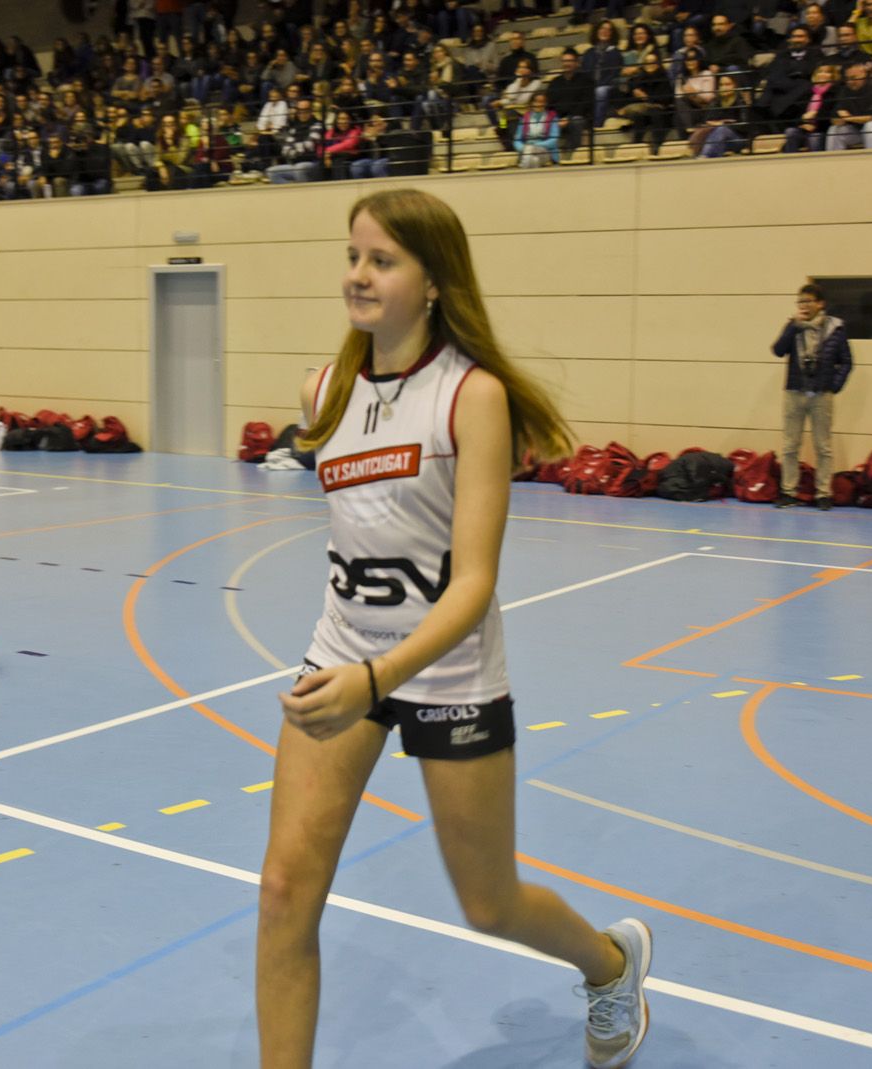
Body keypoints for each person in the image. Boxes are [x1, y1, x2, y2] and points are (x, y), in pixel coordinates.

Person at [257, 187, 653, 1069]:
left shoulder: (471, 397)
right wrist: (355, 672)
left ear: (433, 282)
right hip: (341, 662)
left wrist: (380, 674)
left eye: (382, 260)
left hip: (446, 673)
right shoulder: (323, 391)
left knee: (489, 902)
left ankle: (611, 962)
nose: (358, 275)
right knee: (285, 890)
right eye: (353, 255)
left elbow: (472, 583)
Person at [771, 283, 853, 509]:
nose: (804, 306)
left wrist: (833, 386)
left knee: (823, 447)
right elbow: (778, 350)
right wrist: (793, 328)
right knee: (790, 445)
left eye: (808, 301)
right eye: (800, 302)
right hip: (794, 393)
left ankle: (823, 493)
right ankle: (788, 491)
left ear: (820, 303)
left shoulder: (835, 329)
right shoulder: (793, 326)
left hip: (821, 395)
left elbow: (846, 362)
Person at [826, 61, 872, 147]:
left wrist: (849, 118)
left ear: (864, 74)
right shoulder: (845, 90)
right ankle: (834, 160)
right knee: (835, 130)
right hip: (857, 130)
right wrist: (837, 119)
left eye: (854, 78)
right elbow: (836, 112)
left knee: (871, 126)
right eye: (847, 78)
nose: (850, 82)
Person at [514, 90, 562, 166]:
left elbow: (554, 139)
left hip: (545, 149)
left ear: (545, 103)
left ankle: (524, 166)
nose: (539, 104)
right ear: (531, 103)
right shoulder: (524, 118)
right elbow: (517, 140)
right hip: (527, 150)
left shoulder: (552, 117)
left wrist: (536, 146)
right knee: (533, 159)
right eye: (536, 101)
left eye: (541, 102)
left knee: (530, 153)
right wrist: (522, 148)